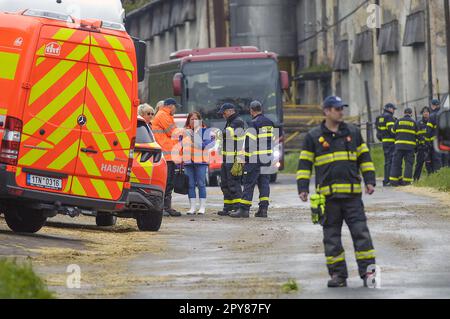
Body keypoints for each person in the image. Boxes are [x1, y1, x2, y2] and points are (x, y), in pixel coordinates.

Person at [298, 96, 377, 288]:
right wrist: (302, 188)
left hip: (352, 198)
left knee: (362, 236)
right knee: (331, 239)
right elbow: (305, 164)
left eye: (342, 108)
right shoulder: (313, 136)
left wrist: (370, 181)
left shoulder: (353, 132)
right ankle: (338, 276)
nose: (341, 111)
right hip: (328, 198)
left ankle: (369, 275)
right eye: (337, 108)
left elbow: (364, 159)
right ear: (326, 111)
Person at [231, 100, 274, 219]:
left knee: (248, 183)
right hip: (267, 158)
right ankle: (263, 209)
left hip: (254, 158)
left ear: (251, 110)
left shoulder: (253, 123)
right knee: (264, 183)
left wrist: (244, 157)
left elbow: (250, 143)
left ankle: (244, 210)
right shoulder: (269, 122)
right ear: (261, 109)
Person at [152, 98, 182, 217]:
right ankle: (163, 207)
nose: (176, 109)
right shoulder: (163, 115)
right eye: (175, 107)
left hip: (169, 154)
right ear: (170, 106)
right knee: (166, 182)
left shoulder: (166, 115)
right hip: (166, 154)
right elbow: (173, 132)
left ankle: (167, 207)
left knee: (169, 182)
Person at [182, 112, 215, 215]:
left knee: (201, 184)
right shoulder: (185, 132)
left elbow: (206, 145)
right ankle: (192, 207)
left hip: (201, 161)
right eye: (192, 119)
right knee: (190, 185)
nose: (194, 121)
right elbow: (180, 145)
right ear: (188, 121)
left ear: (200, 121)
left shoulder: (205, 132)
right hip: (188, 161)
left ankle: (202, 207)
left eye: (196, 119)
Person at [217, 103, 245, 216]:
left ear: (230, 111)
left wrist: (217, 133)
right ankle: (228, 207)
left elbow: (227, 134)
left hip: (233, 158)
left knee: (233, 183)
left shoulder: (238, 121)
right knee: (225, 184)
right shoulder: (230, 121)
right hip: (226, 158)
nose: (223, 115)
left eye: (224, 113)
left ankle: (238, 207)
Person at [389, 108, 418, 186]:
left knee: (396, 163)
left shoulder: (398, 121)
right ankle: (407, 182)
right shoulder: (414, 122)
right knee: (409, 164)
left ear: (404, 113)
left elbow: (392, 131)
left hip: (399, 146)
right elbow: (418, 135)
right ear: (411, 114)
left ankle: (394, 181)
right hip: (410, 147)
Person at [375, 103, 397, 186]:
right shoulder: (389, 117)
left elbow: (378, 130)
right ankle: (388, 180)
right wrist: (397, 135)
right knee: (390, 161)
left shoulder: (380, 117)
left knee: (387, 161)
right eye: (393, 109)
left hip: (384, 141)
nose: (394, 110)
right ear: (389, 108)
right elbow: (391, 130)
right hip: (391, 141)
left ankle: (386, 180)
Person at [414, 107, 432, 181]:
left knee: (429, 164)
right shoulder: (418, 123)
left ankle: (431, 179)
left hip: (429, 147)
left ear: (429, 113)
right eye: (424, 112)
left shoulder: (431, 122)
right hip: (421, 147)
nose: (426, 113)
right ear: (422, 113)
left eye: (427, 112)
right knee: (419, 164)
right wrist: (417, 145)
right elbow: (415, 135)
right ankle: (415, 179)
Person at [427, 99, 443, 172]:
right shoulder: (443, 114)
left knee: (437, 159)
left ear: (433, 106)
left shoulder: (432, 116)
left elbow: (428, 131)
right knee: (445, 158)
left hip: (435, 141)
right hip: (445, 140)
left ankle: (438, 175)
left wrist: (428, 141)